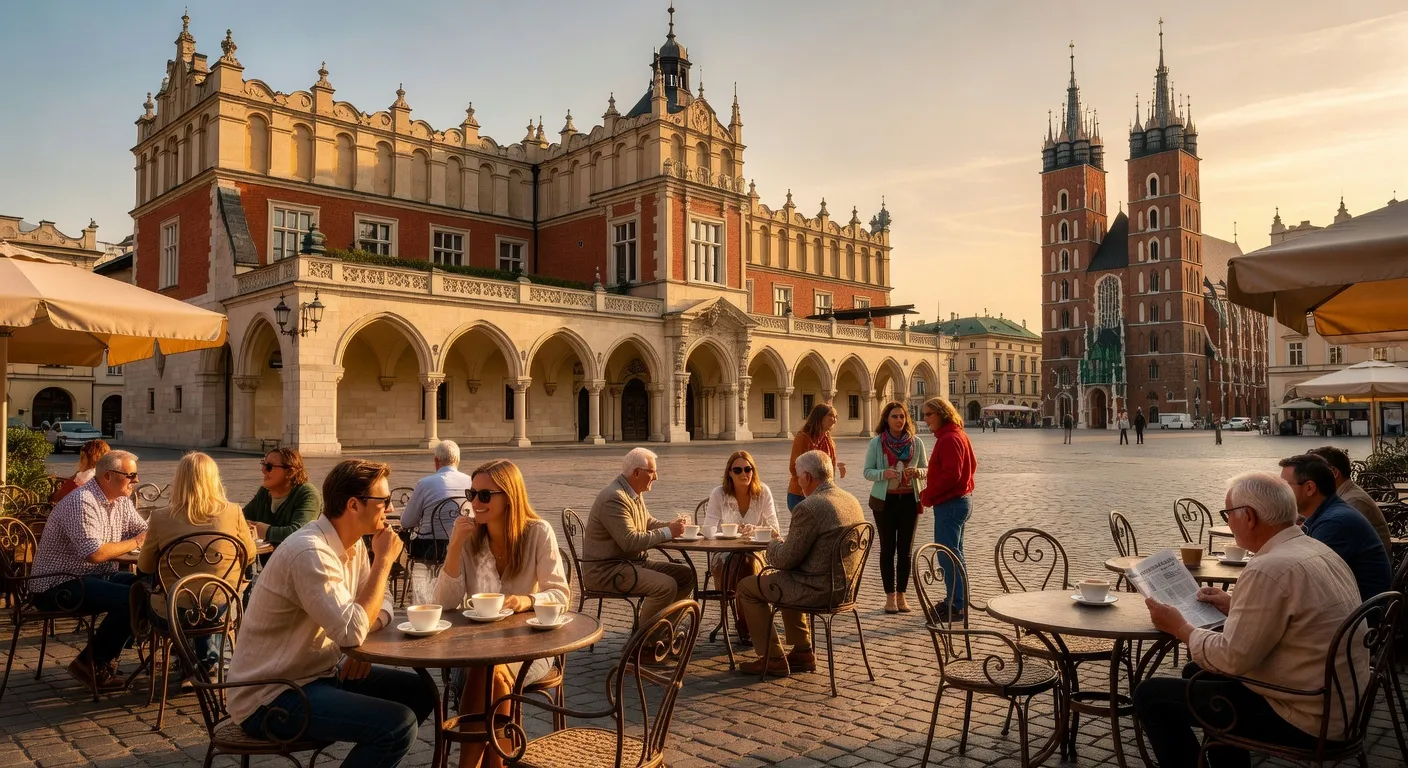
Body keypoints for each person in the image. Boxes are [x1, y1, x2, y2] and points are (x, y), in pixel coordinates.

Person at [1135, 471, 1369, 768]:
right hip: (1341, 704)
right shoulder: (1316, 549)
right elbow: (1297, 618)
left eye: (1228, 513)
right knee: (1198, 671)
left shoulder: (1268, 568)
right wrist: (1234, 606)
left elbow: (1232, 658)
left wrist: (1180, 627)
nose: (1228, 522)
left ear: (1249, 517)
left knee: (1150, 696)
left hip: (1307, 716)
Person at [228, 459, 434, 767]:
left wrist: (361, 636)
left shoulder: (353, 544)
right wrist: (384, 563)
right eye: (384, 501)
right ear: (353, 505)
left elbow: (382, 600)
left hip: (318, 674)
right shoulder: (311, 552)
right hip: (271, 696)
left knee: (421, 692)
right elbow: (352, 630)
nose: (390, 509)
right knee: (397, 724)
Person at [432, 459, 568, 768]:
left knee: (489, 671)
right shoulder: (469, 540)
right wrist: (454, 547)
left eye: (484, 495)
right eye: (471, 493)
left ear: (509, 497)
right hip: (475, 647)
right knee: (489, 670)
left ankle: (469, 765)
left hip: (529, 647)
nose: (474, 503)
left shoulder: (537, 532)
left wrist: (526, 600)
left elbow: (560, 594)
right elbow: (445, 603)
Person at [736, 450, 864, 677]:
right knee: (784, 577)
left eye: (796, 477)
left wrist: (771, 541)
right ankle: (802, 651)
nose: (795, 482)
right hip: (845, 588)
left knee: (747, 587)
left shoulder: (809, 507)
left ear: (806, 477)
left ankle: (772, 657)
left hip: (817, 589)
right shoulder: (850, 499)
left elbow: (786, 559)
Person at [30, 450, 147, 690]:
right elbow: (94, 553)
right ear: (107, 476)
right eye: (131, 475)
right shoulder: (82, 501)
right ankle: (91, 664)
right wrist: (137, 542)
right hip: (56, 585)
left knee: (145, 588)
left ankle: (115, 653)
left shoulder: (120, 500)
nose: (136, 480)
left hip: (92, 576)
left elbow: (143, 530)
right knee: (131, 599)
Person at [139, 451, 257, 678]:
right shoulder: (233, 511)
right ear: (215, 479)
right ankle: (204, 661)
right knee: (213, 596)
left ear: (179, 480)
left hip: (174, 610)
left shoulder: (161, 516)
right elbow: (250, 555)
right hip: (222, 604)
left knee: (162, 593)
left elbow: (144, 566)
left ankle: (193, 662)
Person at [582, 448, 693, 627]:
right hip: (607, 571)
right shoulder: (614, 497)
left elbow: (647, 522)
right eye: (652, 472)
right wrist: (668, 532)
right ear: (636, 473)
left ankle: (663, 629)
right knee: (666, 586)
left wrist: (672, 526)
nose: (656, 477)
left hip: (630, 564)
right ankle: (644, 643)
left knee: (686, 576)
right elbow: (630, 541)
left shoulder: (633, 492)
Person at [1277, 454, 1391, 602]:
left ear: (1310, 488)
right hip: (1352, 607)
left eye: (1284, 486)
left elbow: (1306, 578)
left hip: (1358, 617)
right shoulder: (1330, 513)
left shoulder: (1335, 523)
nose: (1279, 493)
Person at [701, 450, 779, 643]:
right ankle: (749, 623)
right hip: (724, 555)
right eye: (738, 470)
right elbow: (708, 529)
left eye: (748, 469)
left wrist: (756, 529)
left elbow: (775, 529)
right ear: (729, 472)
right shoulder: (719, 493)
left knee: (748, 562)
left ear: (753, 471)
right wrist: (731, 532)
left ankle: (745, 622)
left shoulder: (763, 492)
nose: (744, 474)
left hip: (756, 554)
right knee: (741, 562)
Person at [862, 401, 927, 614]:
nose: (899, 420)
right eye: (894, 417)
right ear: (886, 420)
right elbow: (867, 471)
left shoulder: (916, 443)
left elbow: (926, 468)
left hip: (909, 500)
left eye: (902, 416)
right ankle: (889, 596)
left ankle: (902, 595)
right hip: (884, 502)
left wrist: (918, 472)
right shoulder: (876, 443)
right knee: (888, 549)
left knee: (906, 551)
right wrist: (883, 474)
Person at [919, 397, 976, 620]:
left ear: (942, 414)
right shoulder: (957, 434)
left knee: (947, 556)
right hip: (960, 500)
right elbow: (972, 465)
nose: (925, 419)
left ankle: (957, 604)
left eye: (929, 414)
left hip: (950, 503)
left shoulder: (949, 438)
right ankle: (958, 599)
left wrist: (928, 494)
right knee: (955, 554)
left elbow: (952, 474)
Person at [1307, 446, 1393, 555]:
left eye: (1312, 474)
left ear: (1334, 473)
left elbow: (1325, 550)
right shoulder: (1345, 497)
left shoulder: (1353, 502)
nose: (1309, 481)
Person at [399, 440, 474, 560]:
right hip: (465, 547)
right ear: (458, 461)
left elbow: (406, 522)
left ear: (436, 460)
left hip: (431, 548)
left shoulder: (425, 483)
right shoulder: (471, 482)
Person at [243, 447, 320, 546]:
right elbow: (243, 517)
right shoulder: (265, 492)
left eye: (269, 467)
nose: (263, 470)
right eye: (263, 464)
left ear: (290, 471)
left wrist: (264, 531)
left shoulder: (307, 494)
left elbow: (299, 532)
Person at [787, 403, 846, 512]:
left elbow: (828, 467)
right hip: (800, 494)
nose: (834, 420)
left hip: (821, 495)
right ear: (819, 417)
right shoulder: (802, 438)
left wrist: (836, 468)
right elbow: (793, 468)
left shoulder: (829, 441)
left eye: (835, 417)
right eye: (831, 416)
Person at [51, 439, 111, 503]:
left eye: (82, 457)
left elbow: (57, 497)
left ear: (86, 458)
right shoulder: (107, 476)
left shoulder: (82, 477)